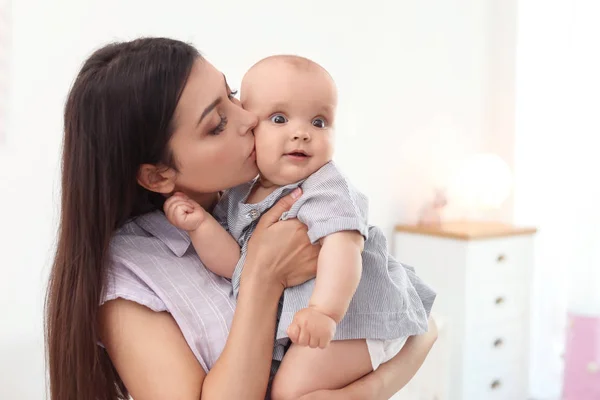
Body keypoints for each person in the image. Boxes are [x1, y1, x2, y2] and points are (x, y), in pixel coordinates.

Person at [45, 37, 438, 400]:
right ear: (158, 175)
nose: (250, 118)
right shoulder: (128, 278)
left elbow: (416, 317)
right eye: (217, 124)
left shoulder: (275, 195)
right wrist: (263, 278)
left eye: (231, 94)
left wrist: (371, 386)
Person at [164, 55, 436, 399]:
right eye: (279, 118)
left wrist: (325, 311)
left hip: (356, 315)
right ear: (252, 127)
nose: (302, 133)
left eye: (320, 122)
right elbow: (238, 266)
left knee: (291, 391)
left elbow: (344, 251)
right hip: (322, 324)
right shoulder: (239, 195)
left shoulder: (327, 188)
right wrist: (200, 226)